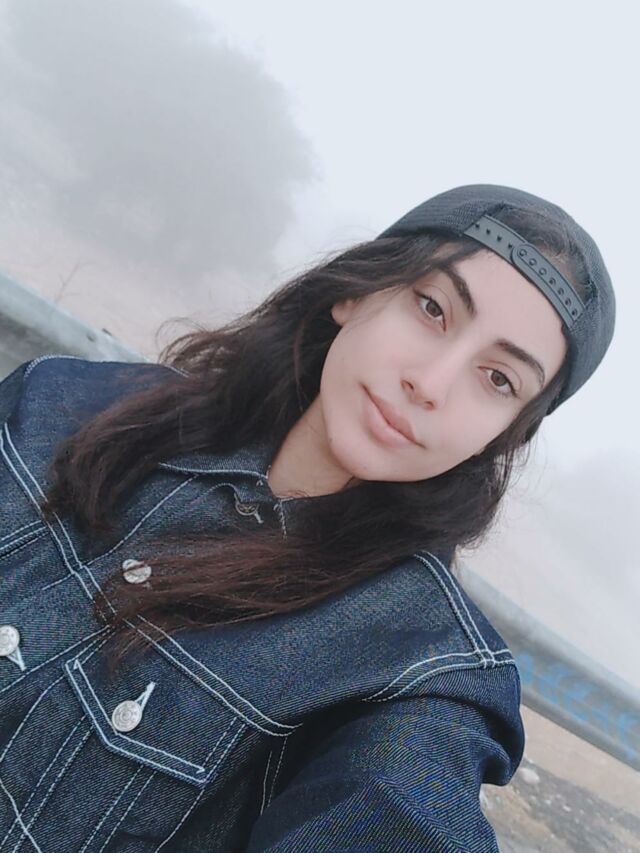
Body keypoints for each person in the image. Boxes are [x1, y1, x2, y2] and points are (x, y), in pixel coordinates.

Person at [0, 184, 615, 851]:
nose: (431, 384)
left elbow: (405, 809)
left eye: (498, 379)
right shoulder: (58, 403)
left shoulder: (417, 671)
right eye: (432, 308)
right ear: (357, 292)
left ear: (501, 436)